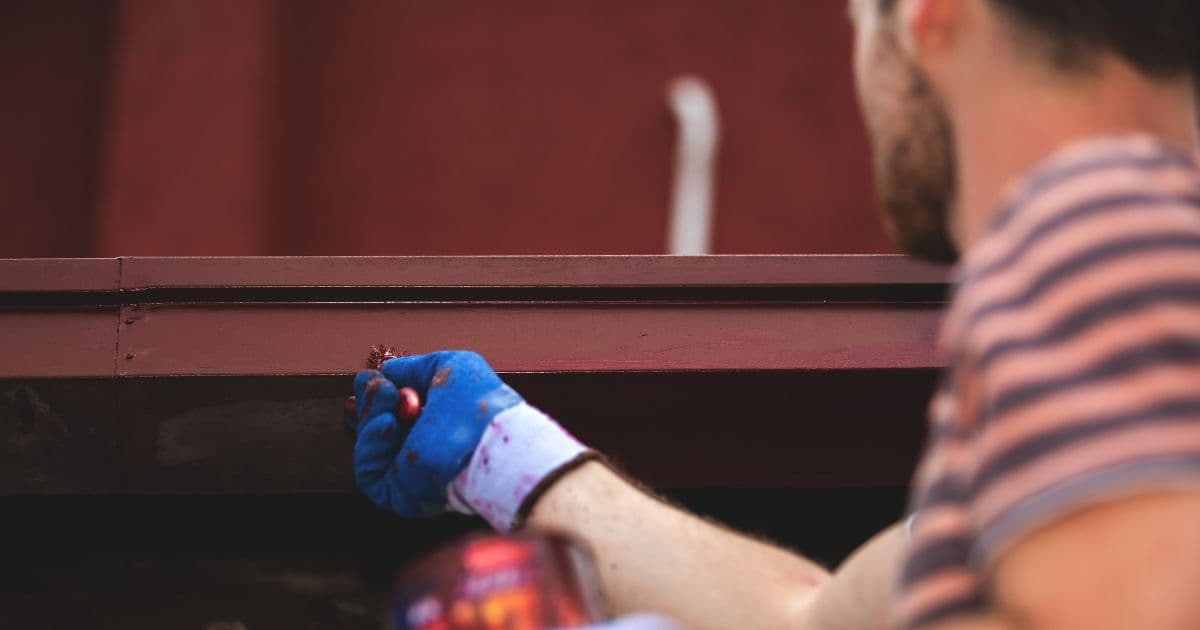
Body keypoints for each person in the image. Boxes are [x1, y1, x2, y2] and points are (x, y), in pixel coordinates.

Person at [345, 0, 1200, 627]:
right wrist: (503, 458)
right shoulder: (1121, 320)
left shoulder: (1099, 214)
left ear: (926, 16)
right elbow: (812, 619)